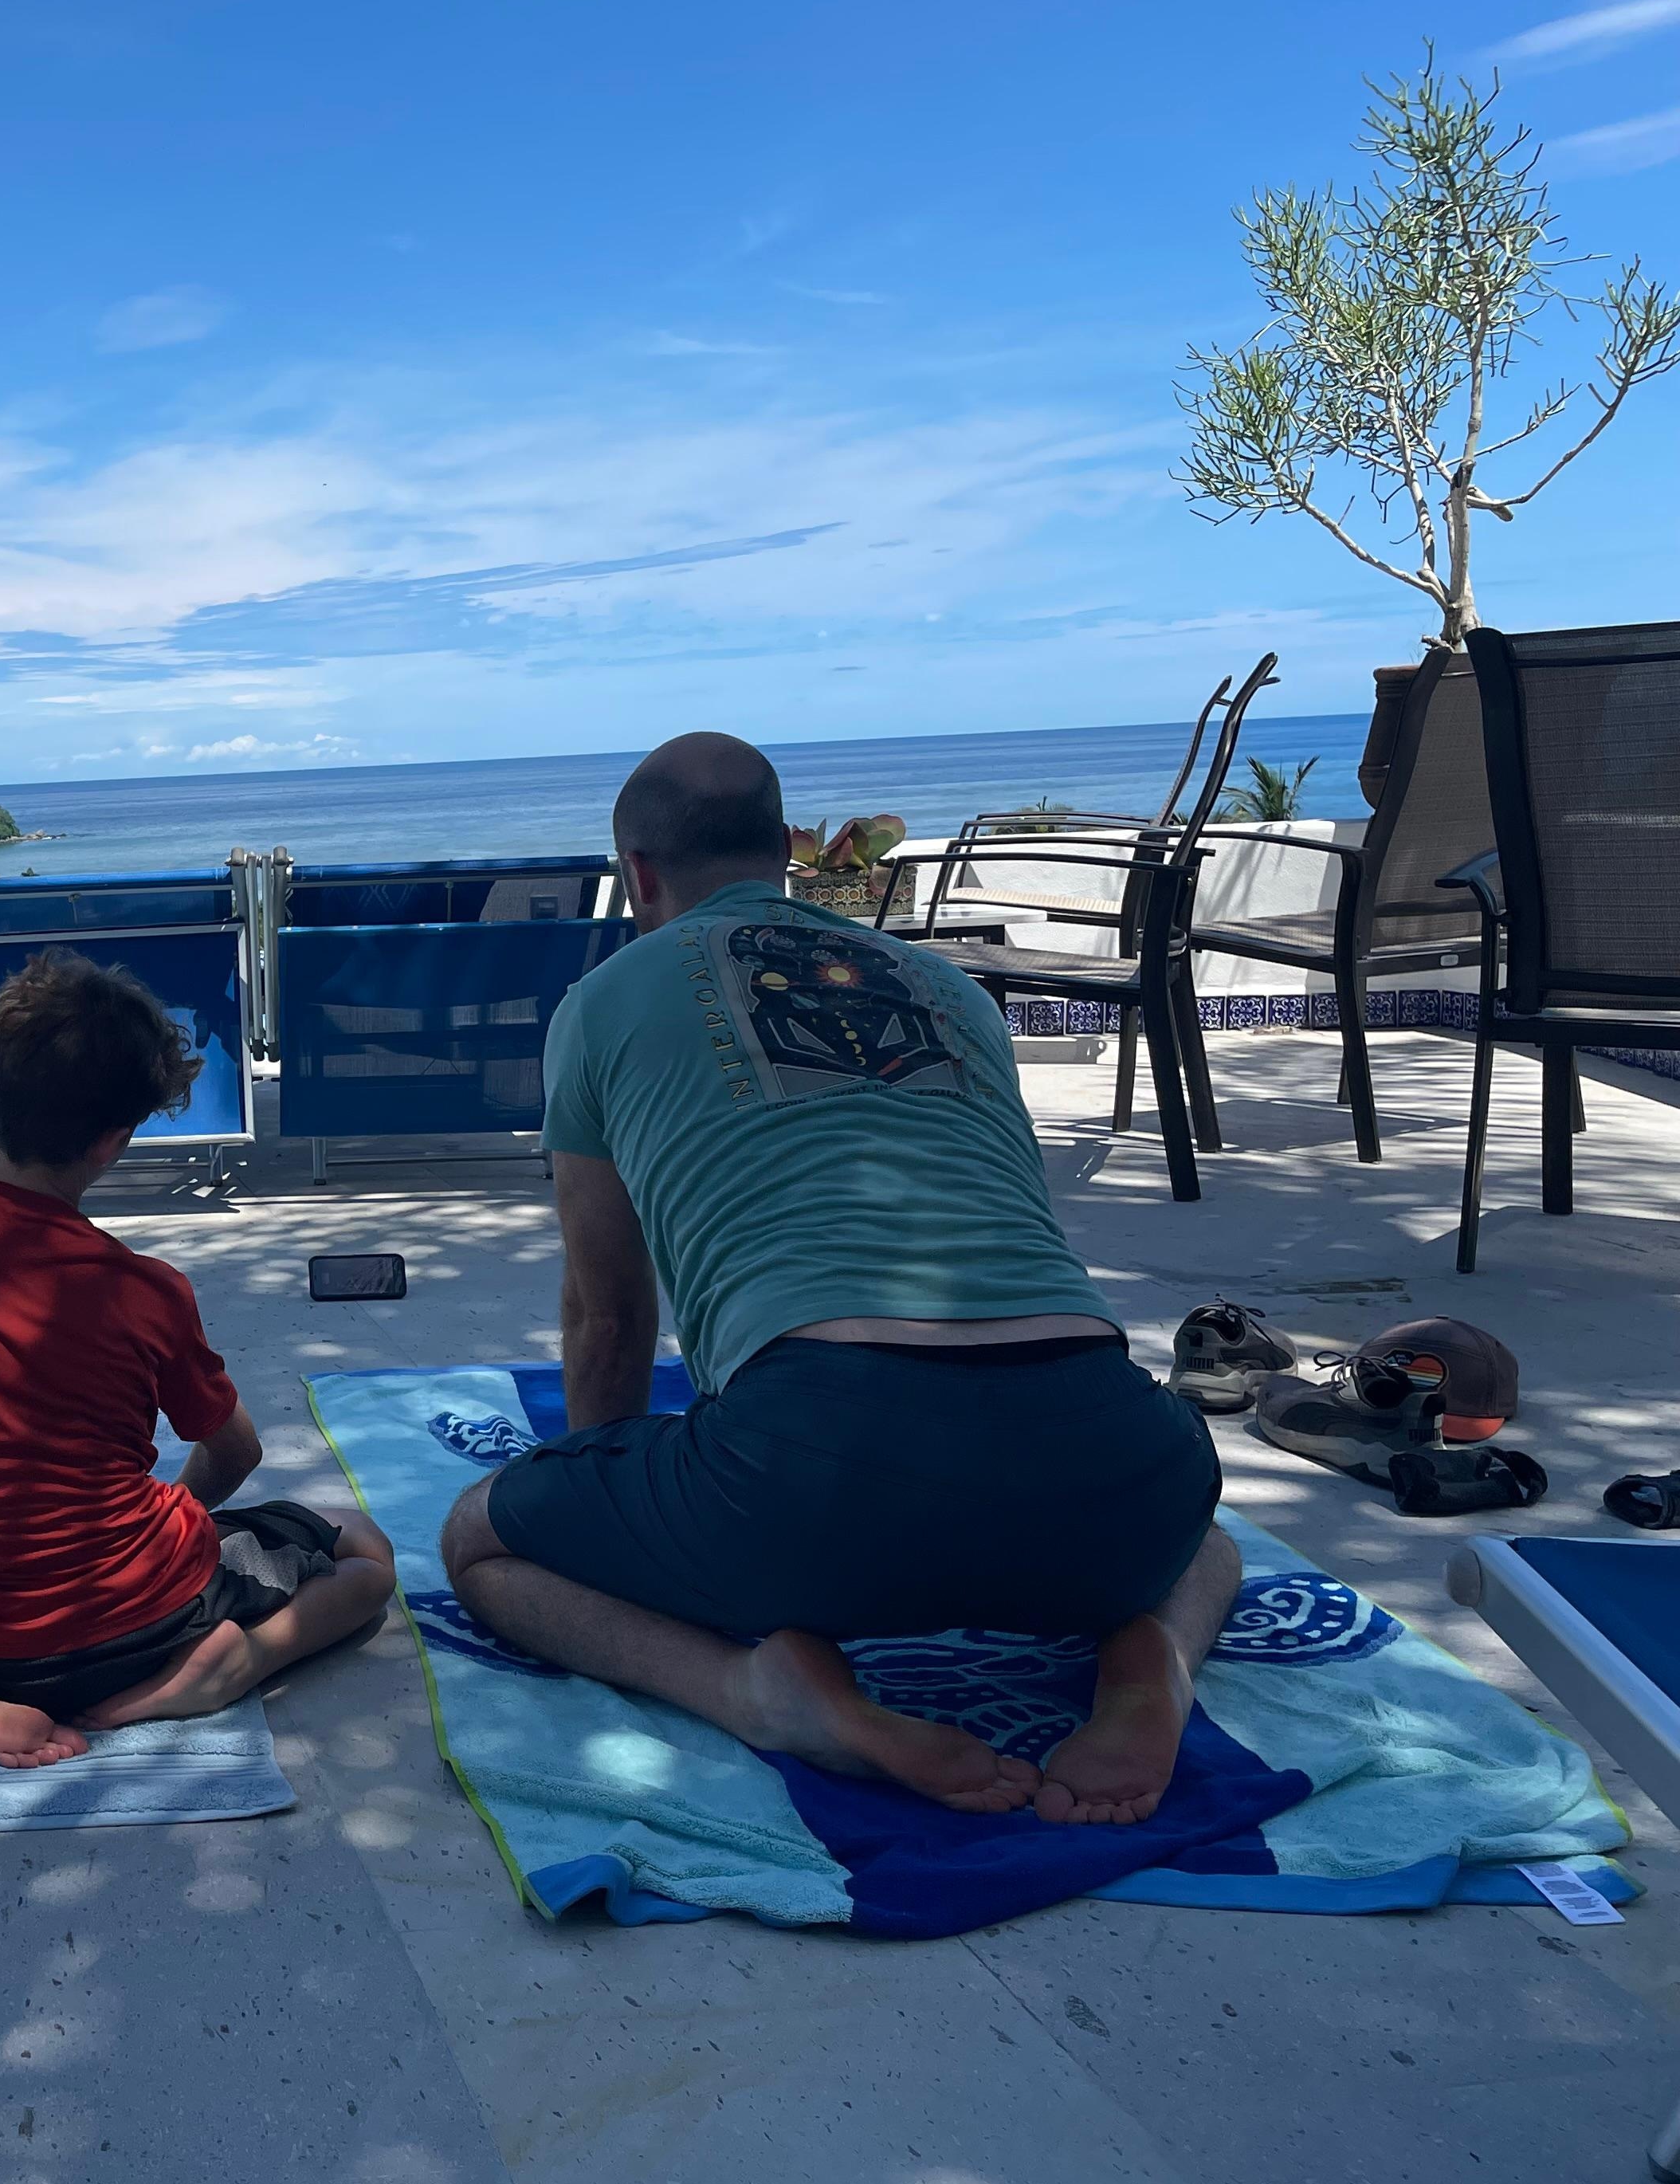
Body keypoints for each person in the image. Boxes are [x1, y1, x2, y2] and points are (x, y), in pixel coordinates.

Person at [439, 733, 1237, 1825]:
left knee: (480, 1540)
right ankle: (1156, 1655)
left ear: (637, 875)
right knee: (1204, 1538)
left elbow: (610, 1317)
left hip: (819, 1466)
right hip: (1114, 1463)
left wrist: (598, 1503)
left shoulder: (603, 1001)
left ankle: (757, 1694)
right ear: (787, 855)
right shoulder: (955, 994)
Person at [0, 949, 397, 1768]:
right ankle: (232, 1666)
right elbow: (236, 1450)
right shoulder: (146, 1290)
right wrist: (168, 1524)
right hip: (157, 1618)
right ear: (110, 1142)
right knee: (365, 1555)